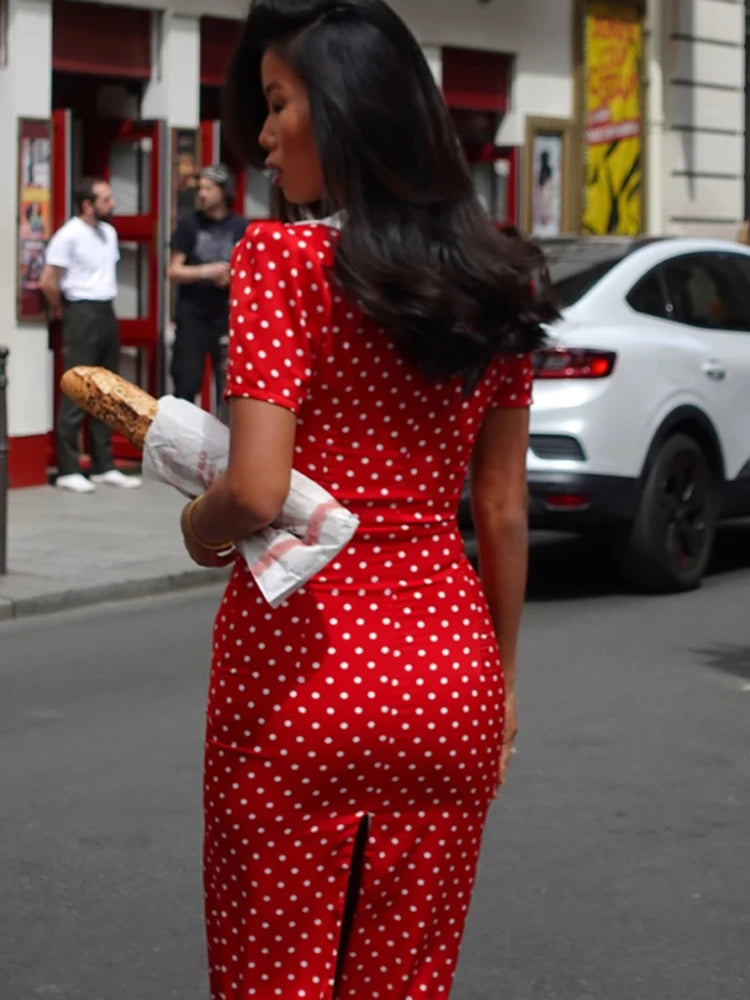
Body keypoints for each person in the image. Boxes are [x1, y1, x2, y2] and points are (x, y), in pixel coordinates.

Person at [178, 2, 557, 997]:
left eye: (276, 103)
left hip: (303, 669)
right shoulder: (503, 278)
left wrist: (195, 522)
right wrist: (505, 685)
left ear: (340, 110)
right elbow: (503, 509)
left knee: (276, 972)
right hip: (449, 674)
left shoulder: (284, 262)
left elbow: (258, 486)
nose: (261, 135)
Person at [40, 177, 141, 494]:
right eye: (106, 199)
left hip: (105, 308)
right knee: (77, 386)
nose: (112, 204)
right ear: (87, 205)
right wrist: (61, 309)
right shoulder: (68, 235)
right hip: (79, 308)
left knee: (105, 388)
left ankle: (103, 464)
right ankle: (69, 467)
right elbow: (48, 280)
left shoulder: (108, 233)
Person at [166, 164, 247, 411]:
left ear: (223, 192)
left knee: (228, 381)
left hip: (225, 314)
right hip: (193, 314)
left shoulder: (240, 226)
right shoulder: (190, 224)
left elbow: (250, 273)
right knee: (187, 378)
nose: (202, 194)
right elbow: (173, 270)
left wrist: (230, 277)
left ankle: (226, 441)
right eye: (200, 188)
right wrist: (206, 271)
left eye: (208, 189)